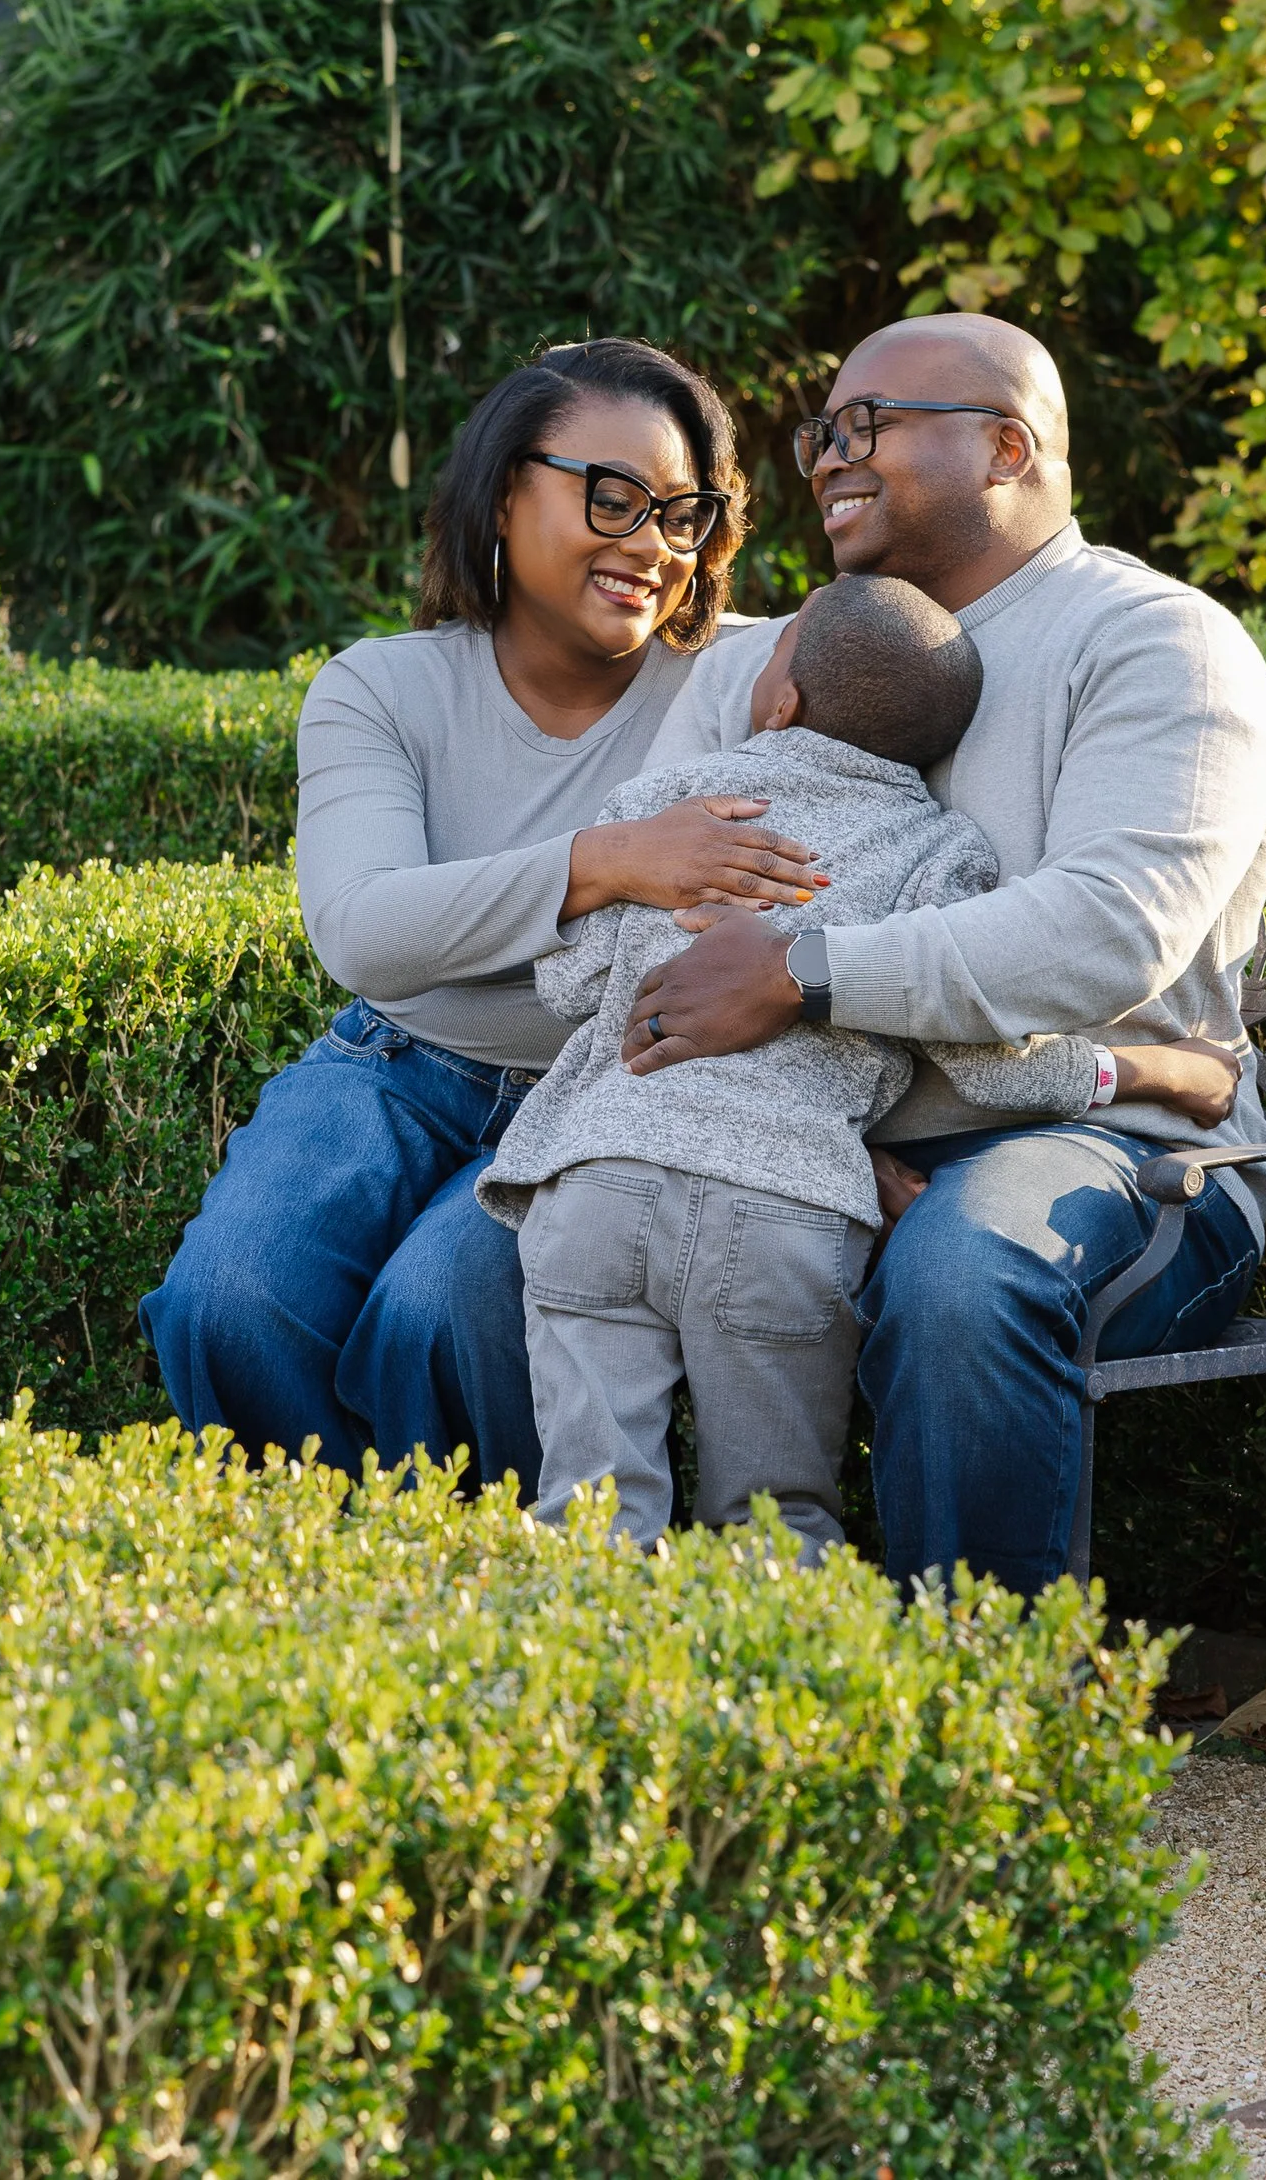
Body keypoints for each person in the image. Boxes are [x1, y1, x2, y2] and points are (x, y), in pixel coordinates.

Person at [364, 312, 1266, 1593]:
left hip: (1112, 1148)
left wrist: (804, 972)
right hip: (771, 1131)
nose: (828, 457)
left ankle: (977, 1720)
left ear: (1007, 446)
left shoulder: (1155, 643)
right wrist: (810, 1120)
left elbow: (1107, 936)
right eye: (823, 431)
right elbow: (649, 910)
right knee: (451, 1277)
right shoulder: (793, 649)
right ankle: (542, 1694)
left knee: (966, 1267)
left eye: (868, 425)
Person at [139, 337, 830, 1472]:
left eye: (682, 513)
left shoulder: (747, 678)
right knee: (229, 1302)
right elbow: (365, 929)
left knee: (438, 1314)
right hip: (393, 1066)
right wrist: (606, 860)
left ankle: (473, 1599)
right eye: (612, 498)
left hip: (609, 1090)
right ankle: (332, 1584)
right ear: (504, 492)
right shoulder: (382, 685)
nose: (650, 545)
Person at [482, 575, 1241, 1556]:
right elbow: (993, 1072)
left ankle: (603, 1707)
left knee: (588, 1511)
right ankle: (789, 1701)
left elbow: (570, 983)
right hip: (780, 1212)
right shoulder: (937, 853)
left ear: (782, 696)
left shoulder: (672, 804)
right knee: (773, 1521)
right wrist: (1141, 1073)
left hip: (596, 1182)